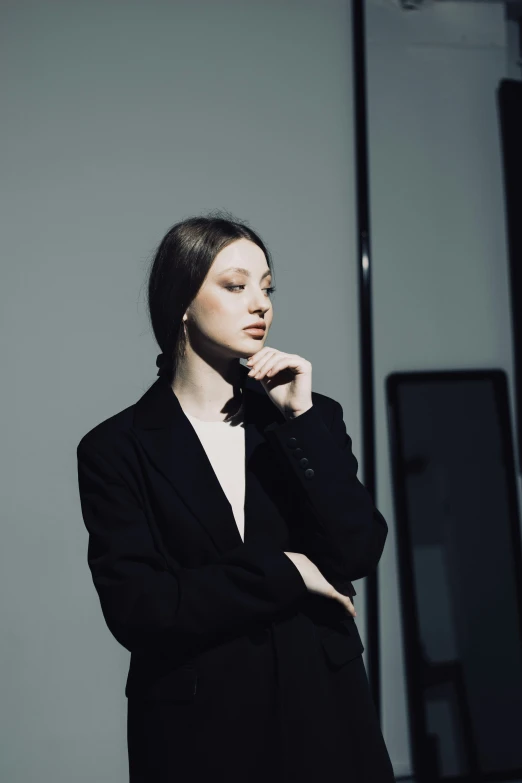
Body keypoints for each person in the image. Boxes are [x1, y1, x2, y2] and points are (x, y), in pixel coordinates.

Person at [76, 211, 395, 782]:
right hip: (199, 733)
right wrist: (287, 571)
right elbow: (142, 609)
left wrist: (299, 421)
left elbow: (358, 551)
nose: (260, 304)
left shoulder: (307, 417)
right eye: (235, 285)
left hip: (325, 717)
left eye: (267, 287)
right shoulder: (114, 448)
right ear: (181, 301)